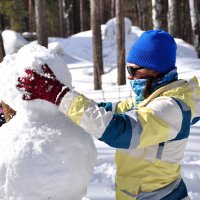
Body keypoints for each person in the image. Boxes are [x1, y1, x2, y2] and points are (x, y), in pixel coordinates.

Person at [17, 30, 200, 200]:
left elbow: (120, 130)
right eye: (127, 69)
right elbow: (110, 112)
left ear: (156, 70)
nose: (129, 76)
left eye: (133, 70)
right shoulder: (150, 98)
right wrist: (62, 105)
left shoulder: (169, 108)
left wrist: (60, 96)